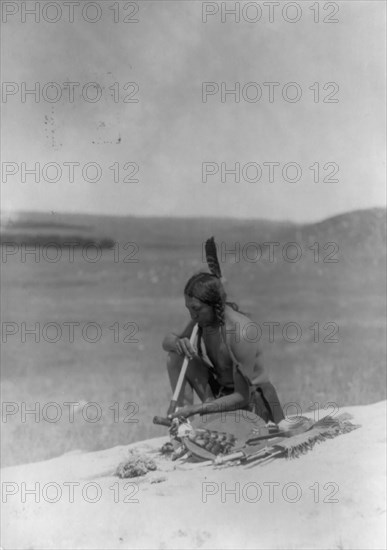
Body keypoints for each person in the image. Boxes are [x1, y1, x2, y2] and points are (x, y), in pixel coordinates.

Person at [162, 238, 285, 425]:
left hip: (253, 403)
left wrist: (198, 408)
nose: (192, 315)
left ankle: (197, 417)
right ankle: (181, 423)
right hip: (222, 393)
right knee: (175, 356)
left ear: (214, 305)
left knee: (216, 441)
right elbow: (167, 341)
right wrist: (178, 343)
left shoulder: (241, 332)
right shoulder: (204, 319)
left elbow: (241, 396)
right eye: (189, 308)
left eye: (196, 309)